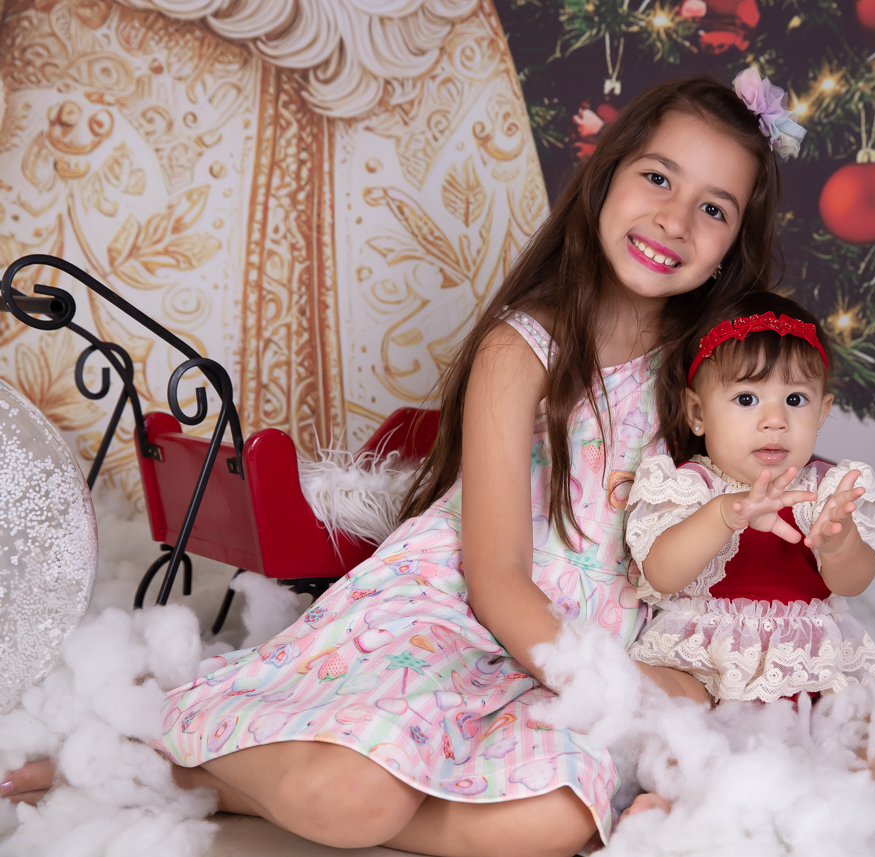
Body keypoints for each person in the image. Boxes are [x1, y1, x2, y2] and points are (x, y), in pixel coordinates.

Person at [3, 71, 805, 856]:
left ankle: (281, 787)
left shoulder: (711, 376)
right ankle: (171, 759)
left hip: (580, 655)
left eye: (713, 208)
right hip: (459, 618)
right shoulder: (524, 349)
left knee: (559, 818)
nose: (674, 219)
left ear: (733, 245)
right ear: (606, 178)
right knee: (355, 795)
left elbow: (740, 516)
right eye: (657, 177)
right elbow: (496, 580)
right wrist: (614, 692)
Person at [621, 290, 875, 814]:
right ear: (698, 413)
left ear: (823, 411)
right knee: (657, 702)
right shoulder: (688, 487)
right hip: (708, 676)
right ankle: (689, 799)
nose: (774, 419)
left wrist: (839, 542)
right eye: (747, 399)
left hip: (811, 687)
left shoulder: (829, 490)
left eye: (795, 400)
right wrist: (723, 515)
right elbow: (661, 572)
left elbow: (854, 580)